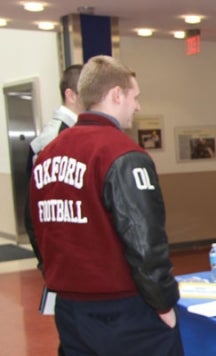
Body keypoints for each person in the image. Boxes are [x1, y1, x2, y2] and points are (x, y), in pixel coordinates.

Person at [28, 55, 183, 355]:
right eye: (135, 97)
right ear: (116, 94)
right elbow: (144, 241)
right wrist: (163, 302)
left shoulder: (47, 154)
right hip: (124, 312)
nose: (137, 106)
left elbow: (36, 228)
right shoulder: (123, 154)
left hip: (70, 310)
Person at [24, 64, 84, 270]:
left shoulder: (83, 132)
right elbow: (37, 208)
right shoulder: (53, 139)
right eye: (87, 93)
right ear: (71, 95)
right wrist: (47, 261)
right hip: (63, 261)